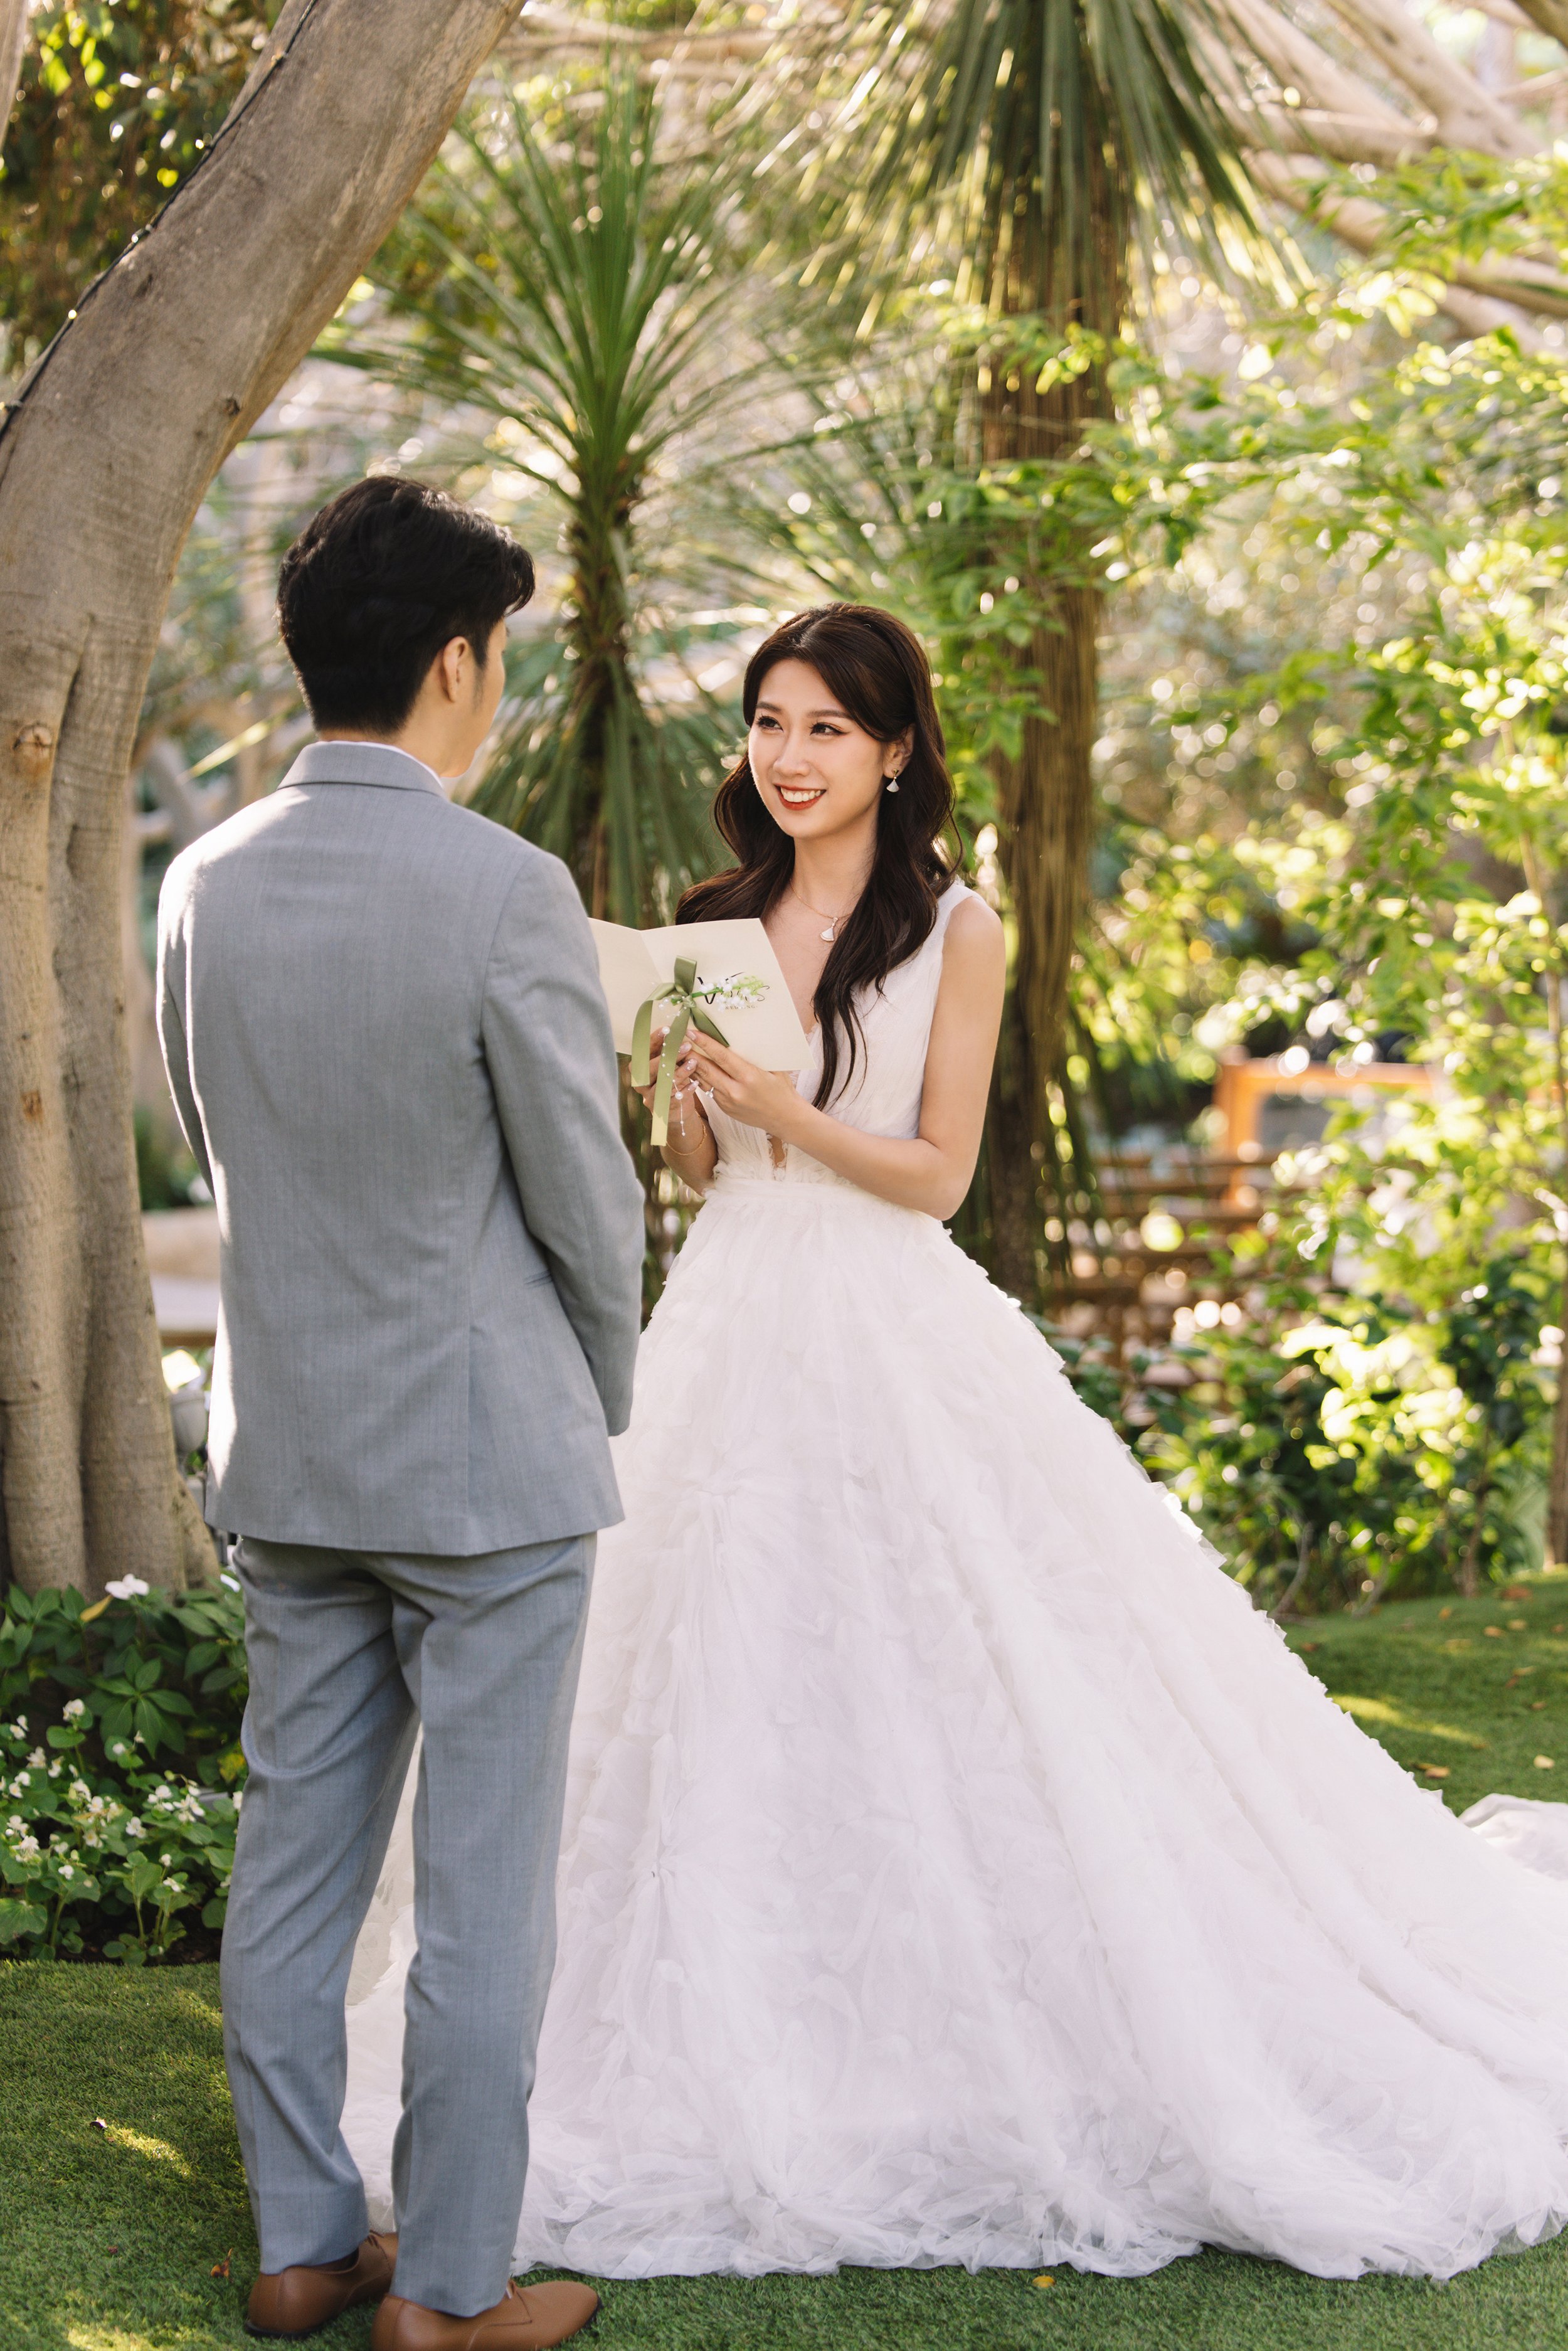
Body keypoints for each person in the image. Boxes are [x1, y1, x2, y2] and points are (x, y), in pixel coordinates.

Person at [344, 602, 1568, 2288]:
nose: (786, 755)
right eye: (767, 723)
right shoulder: (714, 917)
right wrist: (686, 1097)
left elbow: (935, 1174)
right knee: (713, 1653)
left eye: (825, 728)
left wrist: (779, 1111)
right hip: (731, 1306)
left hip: (887, 1318)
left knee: (966, 1651)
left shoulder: (953, 926)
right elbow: (709, 1170)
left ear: (896, 748)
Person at [156, 476, 645, 2351]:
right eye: (499, 652)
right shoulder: (504, 889)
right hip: (483, 1461)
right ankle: (444, 2292)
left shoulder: (202, 879)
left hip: (288, 1449)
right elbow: (581, 1200)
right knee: (478, 1900)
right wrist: (596, 1387)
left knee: (291, 1862)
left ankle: (300, 2244)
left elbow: (218, 1146)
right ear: (457, 660)